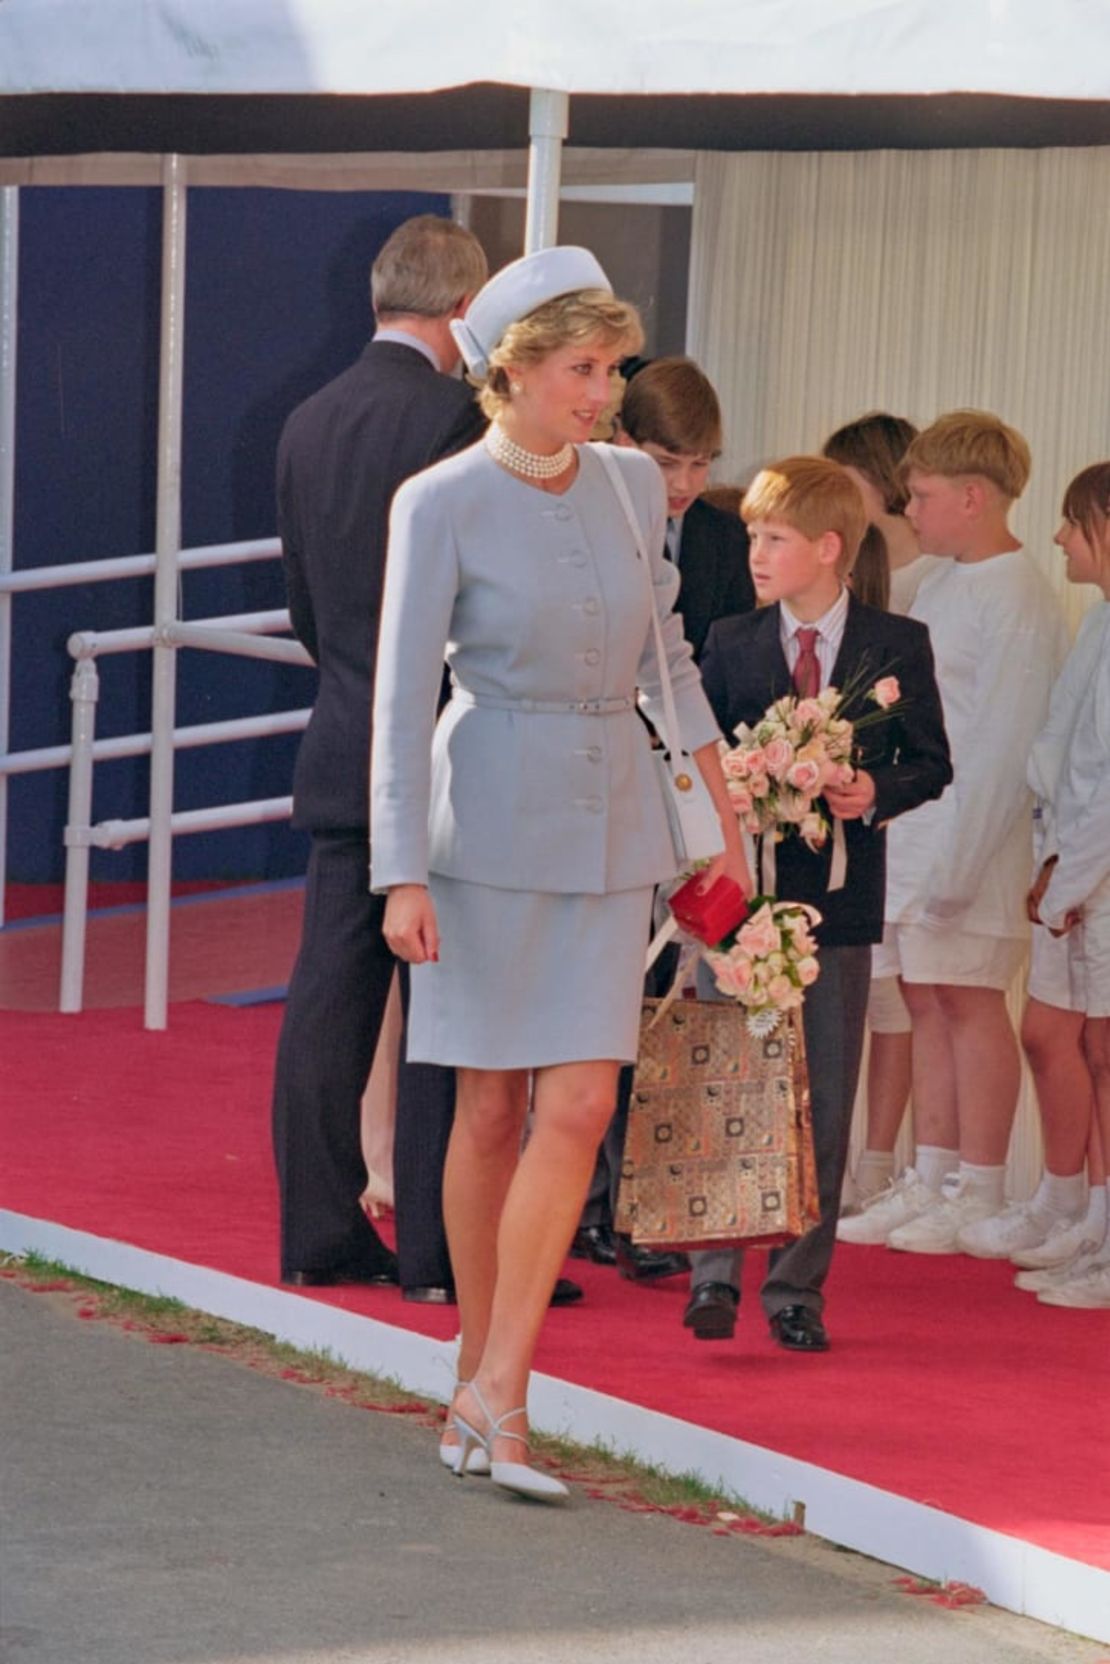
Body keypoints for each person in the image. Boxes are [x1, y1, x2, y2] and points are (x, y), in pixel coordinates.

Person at [370, 246, 752, 1501]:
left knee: (577, 1105)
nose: (605, 392)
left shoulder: (639, 485)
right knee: (487, 1111)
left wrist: (717, 810)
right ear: (515, 373)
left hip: (611, 824)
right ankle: (482, 1374)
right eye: (583, 369)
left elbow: (672, 659)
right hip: (481, 824)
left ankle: (504, 1391)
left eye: (612, 368)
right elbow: (396, 699)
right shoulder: (440, 499)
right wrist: (399, 873)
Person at [682, 455, 952, 1351]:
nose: (755, 552)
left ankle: (797, 1286)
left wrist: (870, 790)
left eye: (774, 538)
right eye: (754, 536)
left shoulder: (894, 645)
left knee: (823, 1094)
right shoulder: (730, 641)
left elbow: (930, 760)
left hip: (837, 905)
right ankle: (713, 1272)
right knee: (733, 1072)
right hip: (741, 900)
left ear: (830, 548)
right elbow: (696, 762)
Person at [271, 214, 488, 1289]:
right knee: (441, 1008)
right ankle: (437, 1255)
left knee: (326, 1002)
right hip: (445, 753)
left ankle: (317, 1235)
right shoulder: (459, 421)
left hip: (344, 733)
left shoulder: (306, 419)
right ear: (465, 311)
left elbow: (307, 606)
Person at [839, 410, 1068, 1255]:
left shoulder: (1020, 598)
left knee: (971, 1006)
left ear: (974, 499)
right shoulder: (938, 580)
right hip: (918, 827)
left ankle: (980, 1184)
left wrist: (965, 867)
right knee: (927, 999)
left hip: (974, 837)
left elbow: (1006, 743)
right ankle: (931, 1175)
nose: (912, 510)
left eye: (925, 497)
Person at [574, 355, 756, 1280]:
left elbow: (719, 675)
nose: (685, 484)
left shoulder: (724, 541)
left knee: (676, 1009)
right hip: (604, 792)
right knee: (606, 1004)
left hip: (694, 791)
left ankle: (647, 1206)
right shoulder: (587, 515)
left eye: (702, 463)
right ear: (620, 441)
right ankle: (590, 1204)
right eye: (667, 459)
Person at [822, 413, 934, 1210]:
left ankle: (878, 1161)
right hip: (861, 807)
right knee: (877, 989)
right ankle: (859, 1161)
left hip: (907, 802)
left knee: (893, 995)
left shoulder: (922, 581)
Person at [1008, 462, 1110, 1308]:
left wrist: (1070, 879)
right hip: (1080, 871)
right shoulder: (1100, 622)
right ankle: (1096, 1226)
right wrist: (1054, 866)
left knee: (1107, 1058)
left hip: (1097, 876)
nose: (1060, 539)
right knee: (1094, 1052)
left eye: (1075, 524)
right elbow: (1067, 763)